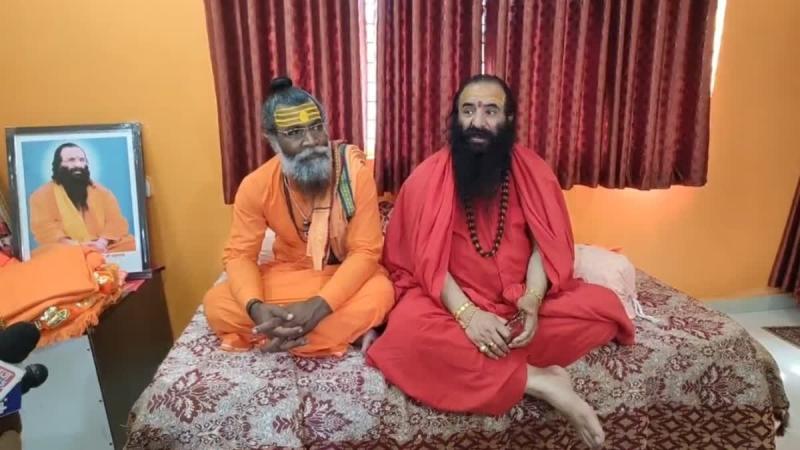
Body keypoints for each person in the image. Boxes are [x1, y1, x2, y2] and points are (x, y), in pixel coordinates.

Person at [367, 75, 636, 449]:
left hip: (517, 302)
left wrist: (533, 299)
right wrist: (468, 316)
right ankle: (539, 380)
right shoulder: (426, 178)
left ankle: (482, 360)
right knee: (407, 337)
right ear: (456, 118)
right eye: (468, 111)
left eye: (490, 111)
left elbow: (546, 246)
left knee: (602, 311)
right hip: (448, 303)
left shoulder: (533, 171)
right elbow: (422, 264)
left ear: (509, 119)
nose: (477, 122)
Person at [203, 77, 394, 356]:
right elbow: (240, 255)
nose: (311, 141)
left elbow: (365, 252)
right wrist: (256, 308)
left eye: (316, 127)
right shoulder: (256, 185)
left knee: (381, 293)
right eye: (294, 132)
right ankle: (330, 333)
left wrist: (320, 305)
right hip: (289, 275)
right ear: (272, 140)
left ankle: (274, 336)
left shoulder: (354, 174)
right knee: (217, 303)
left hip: (341, 274)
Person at [28, 143, 135, 253]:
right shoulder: (41, 195)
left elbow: (116, 221)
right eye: (71, 160)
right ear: (58, 165)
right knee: (47, 255)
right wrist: (78, 246)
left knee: (132, 244)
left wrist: (102, 242)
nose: (78, 165)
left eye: (82, 160)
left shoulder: (102, 192)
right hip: (66, 248)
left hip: (102, 245)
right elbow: (44, 229)